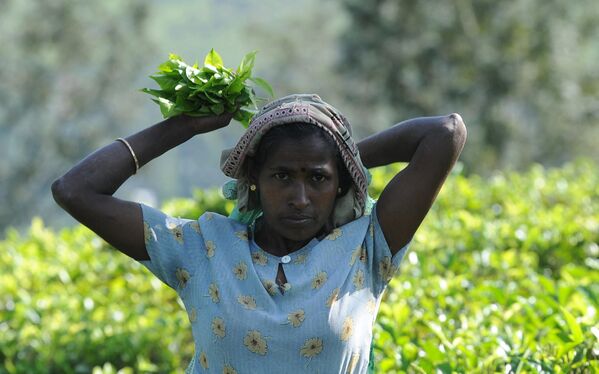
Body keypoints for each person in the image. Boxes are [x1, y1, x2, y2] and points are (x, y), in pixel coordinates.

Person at [52, 93, 466, 373]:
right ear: (253, 180)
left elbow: (446, 133)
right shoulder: (202, 248)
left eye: (318, 179)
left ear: (339, 184)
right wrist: (180, 128)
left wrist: (345, 159)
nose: (300, 197)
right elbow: (75, 191)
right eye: (282, 175)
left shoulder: (367, 245)